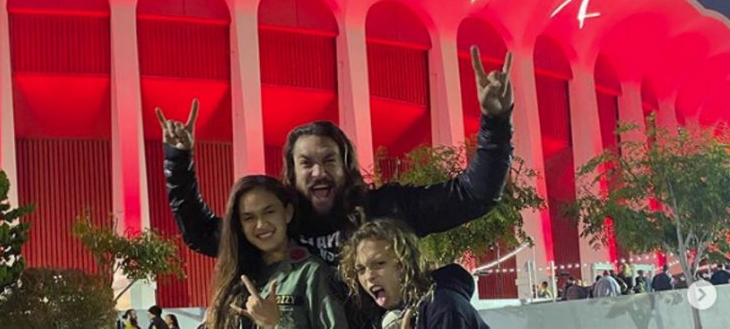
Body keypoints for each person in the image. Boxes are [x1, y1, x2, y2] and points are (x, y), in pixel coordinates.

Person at [159, 46, 512, 327]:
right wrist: (178, 161)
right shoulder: (278, 226)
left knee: (446, 300)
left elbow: (473, 195)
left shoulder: (386, 210)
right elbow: (201, 232)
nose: (318, 173)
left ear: (347, 166)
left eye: (329, 161)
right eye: (306, 163)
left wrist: (495, 122)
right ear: (291, 173)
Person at [203, 175, 348, 329]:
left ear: (287, 213)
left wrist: (276, 324)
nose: (261, 224)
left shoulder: (311, 273)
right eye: (249, 218)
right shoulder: (234, 277)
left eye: (269, 212)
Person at [340, 218, 490, 329]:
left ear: (405, 263)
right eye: (361, 269)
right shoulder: (377, 317)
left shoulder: (444, 307)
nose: (369, 276)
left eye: (379, 264)